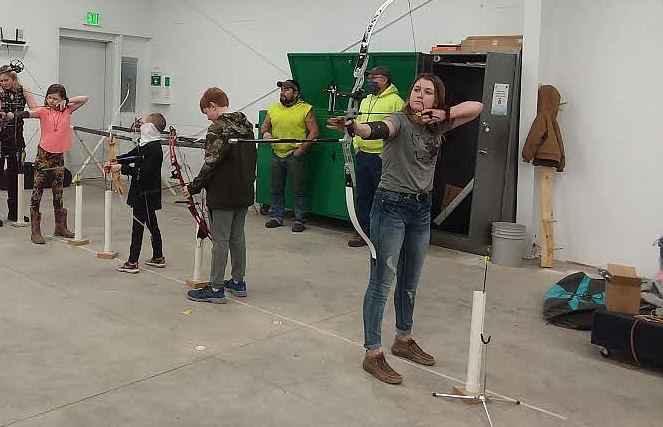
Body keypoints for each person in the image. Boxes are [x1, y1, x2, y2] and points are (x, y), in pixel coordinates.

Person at [328, 73, 482, 385]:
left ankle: (403, 339)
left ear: (435, 100)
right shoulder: (398, 119)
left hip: (421, 210)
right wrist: (354, 127)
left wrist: (445, 113)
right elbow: (375, 129)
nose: (419, 95)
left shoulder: (437, 124)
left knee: (410, 279)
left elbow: (477, 107)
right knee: (382, 281)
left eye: (427, 92)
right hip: (390, 207)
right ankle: (372, 353)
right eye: (416, 89)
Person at [182, 87, 257, 303]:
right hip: (243, 191)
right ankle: (238, 281)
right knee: (237, 236)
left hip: (223, 194)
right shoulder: (246, 125)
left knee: (221, 240)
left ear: (213, 106)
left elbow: (211, 163)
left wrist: (193, 187)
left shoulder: (218, 128)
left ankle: (215, 289)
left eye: (206, 111)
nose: (207, 117)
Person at [16, 84, 88, 244]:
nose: (51, 101)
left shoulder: (67, 109)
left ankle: (60, 227)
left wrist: (67, 102)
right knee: (37, 192)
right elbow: (28, 113)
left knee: (58, 192)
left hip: (58, 156)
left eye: (55, 98)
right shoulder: (43, 111)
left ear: (62, 99)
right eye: (49, 97)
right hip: (44, 155)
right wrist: (11, 115)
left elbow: (85, 99)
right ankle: (35, 231)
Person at [349, 66, 404, 247]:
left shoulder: (396, 101)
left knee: (383, 198)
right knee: (363, 196)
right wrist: (356, 146)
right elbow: (358, 123)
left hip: (382, 159)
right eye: (369, 77)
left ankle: (382, 235)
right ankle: (362, 232)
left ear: (385, 80)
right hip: (362, 155)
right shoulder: (365, 101)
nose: (370, 81)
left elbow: (400, 130)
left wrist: (384, 154)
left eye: (375, 78)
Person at [105, 113, 168, 274]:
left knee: (139, 226)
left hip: (145, 194)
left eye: (144, 123)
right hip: (142, 192)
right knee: (152, 223)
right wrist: (114, 161)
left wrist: (121, 168)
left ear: (150, 128)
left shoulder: (154, 149)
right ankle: (158, 256)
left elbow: (142, 171)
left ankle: (133, 261)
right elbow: (131, 156)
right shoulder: (145, 145)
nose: (141, 124)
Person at [260, 79, 318, 232]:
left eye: (287, 89)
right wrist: (265, 133)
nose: (282, 92)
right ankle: (277, 217)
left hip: (294, 155)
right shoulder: (273, 108)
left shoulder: (306, 109)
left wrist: (301, 149)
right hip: (276, 154)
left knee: (298, 189)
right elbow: (265, 125)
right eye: (281, 89)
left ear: (296, 93)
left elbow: (314, 132)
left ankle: (300, 220)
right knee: (276, 188)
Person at [0, 64, 37, 226]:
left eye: (6, 80)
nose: (3, 83)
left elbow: (35, 111)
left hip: (16, 138)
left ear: (14, 78)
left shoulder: (24, 90)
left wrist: (16, 115)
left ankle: (14, 212)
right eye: (0, 81)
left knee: (15, 176)